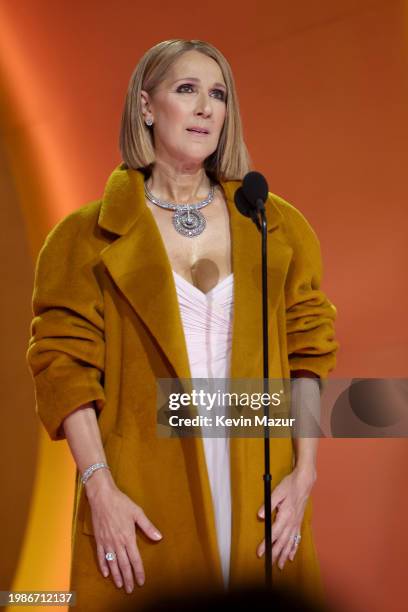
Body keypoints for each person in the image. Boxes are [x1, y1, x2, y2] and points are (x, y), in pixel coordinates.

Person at [26, 39, 339, 611]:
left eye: (217, 95)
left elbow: (308, 354)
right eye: (186, 90)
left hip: (260, 491)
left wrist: (305, 473)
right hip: (142, 493)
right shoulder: (81, 239)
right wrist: (101, 489)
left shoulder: (275, 224)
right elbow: (64, 372)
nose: (205, 108)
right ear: (146, 106)